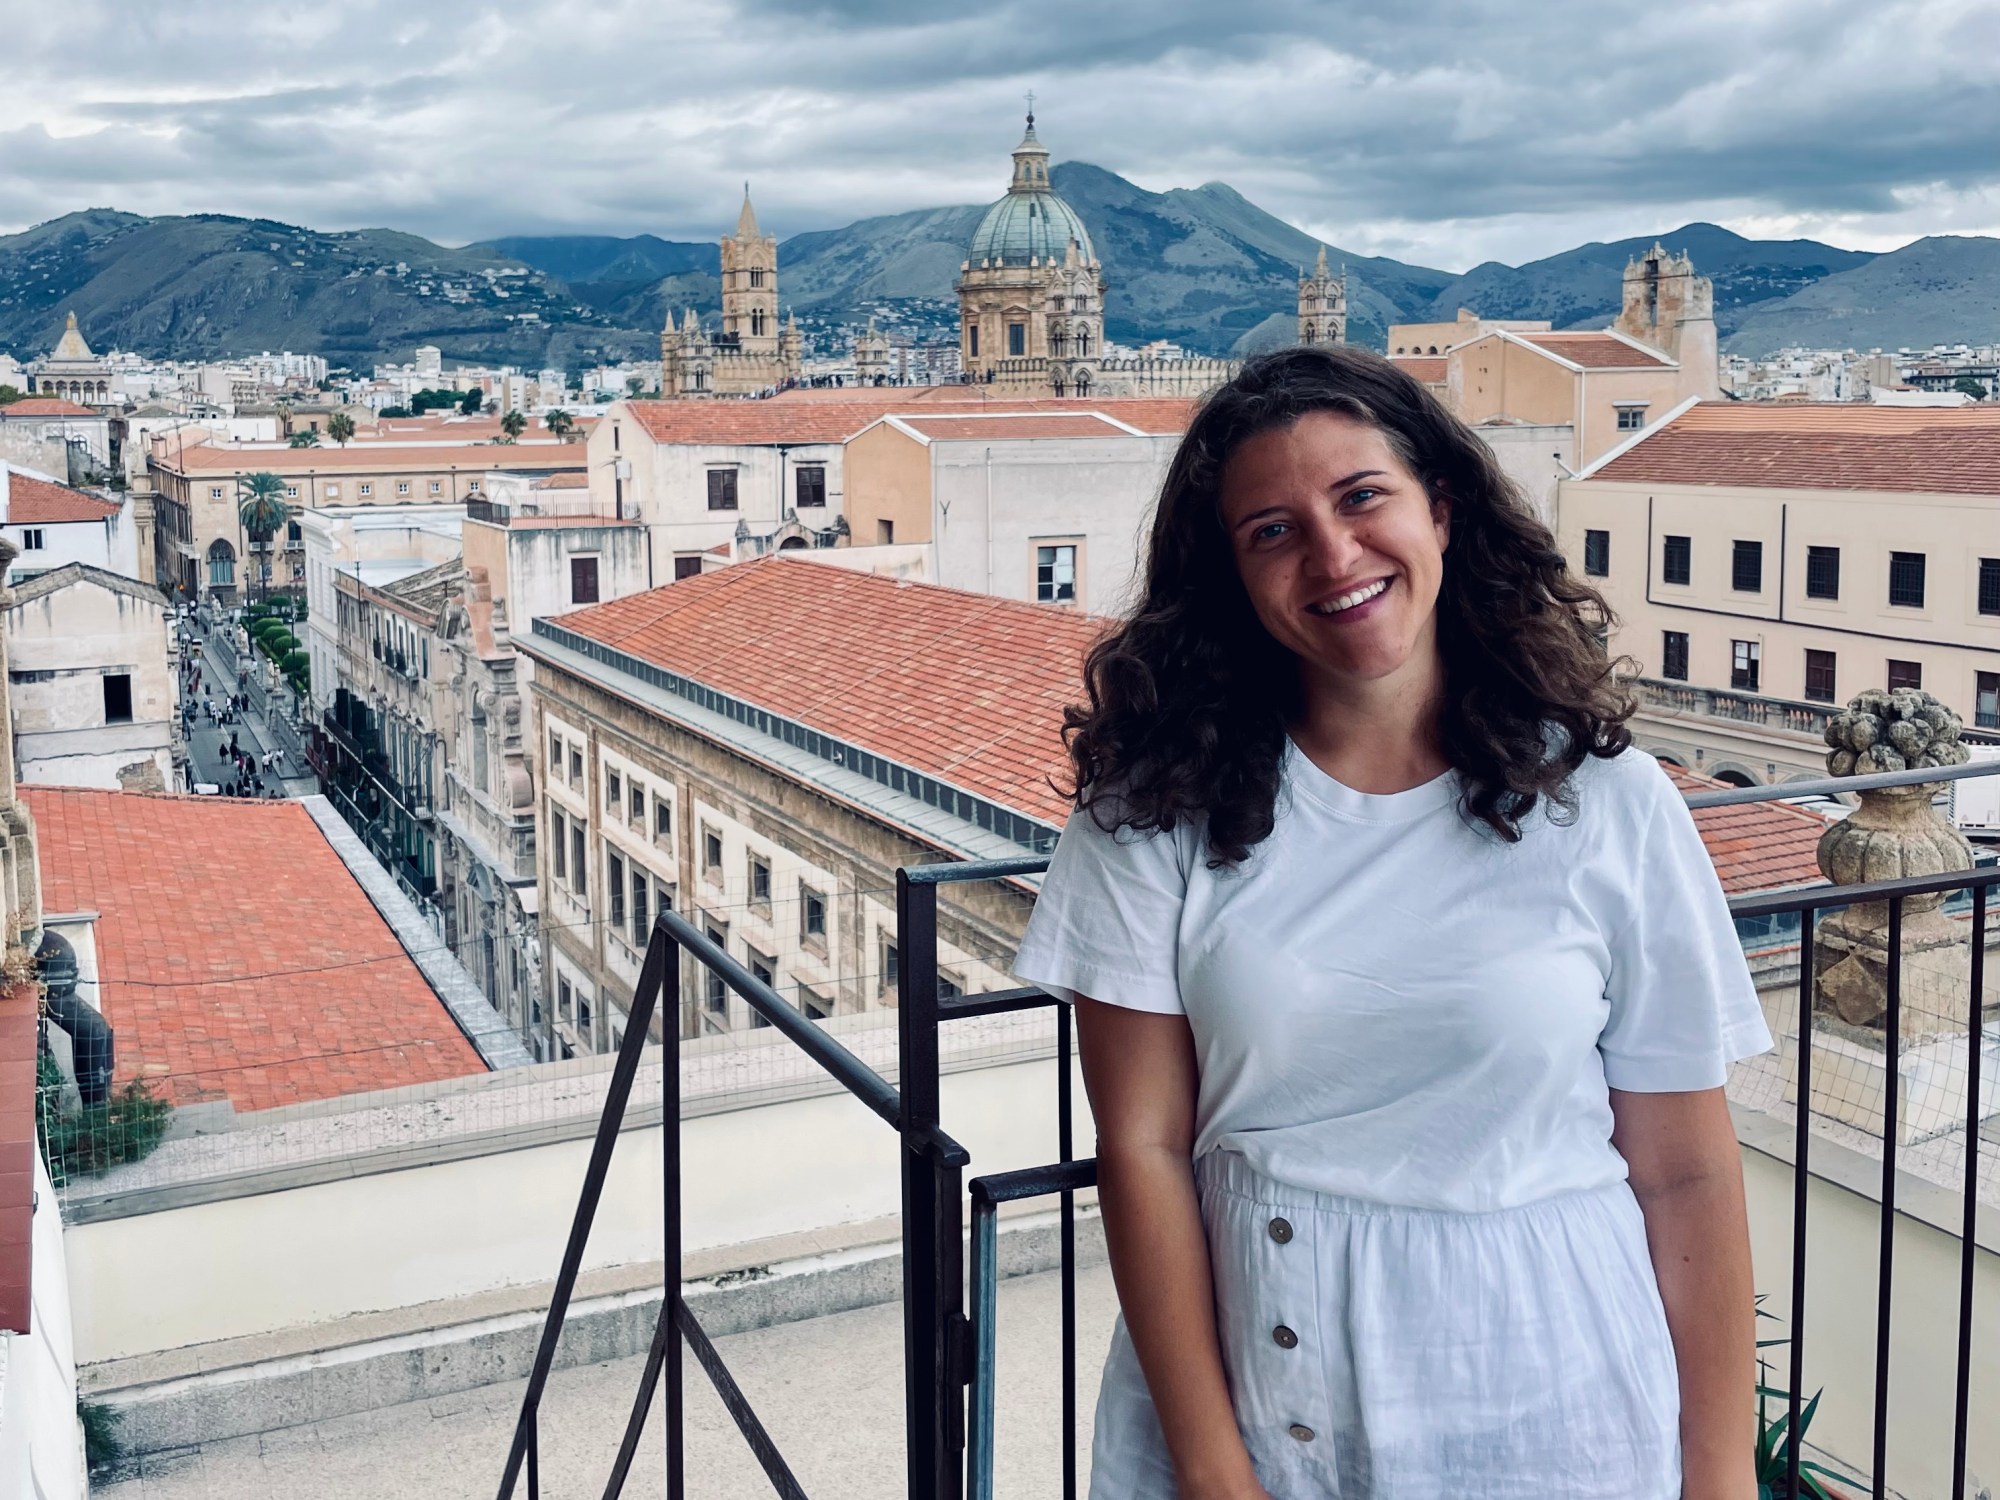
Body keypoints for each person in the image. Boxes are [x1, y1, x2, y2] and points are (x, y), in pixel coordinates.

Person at [1012, 347, 1770, 1500]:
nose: (1332, 554)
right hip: (1266, 1398)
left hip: (1560, 1399)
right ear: (1230, 576)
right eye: (1270, 529)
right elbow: (1143, 1151)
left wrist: (1717, 1481)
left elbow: (1682, 1175)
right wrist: (1218, 1479)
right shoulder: (1149, 811)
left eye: (1361, 497)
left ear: (1442, 510)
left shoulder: (1609, 804)